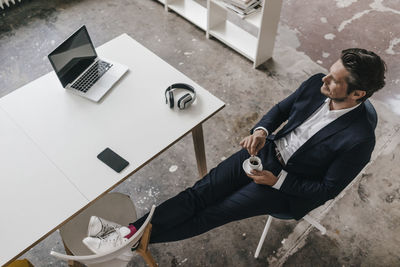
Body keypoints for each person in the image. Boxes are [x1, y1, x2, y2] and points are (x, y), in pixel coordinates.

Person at [82, 48, 387, 252]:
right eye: (329, 72)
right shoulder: (314, 85)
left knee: (213, 213)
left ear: (358, 94)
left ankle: (123, 242)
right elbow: (281, 109)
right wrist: (261, 131)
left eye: (335, 81)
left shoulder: (359, 140)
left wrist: (276, 181)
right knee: (198, 193)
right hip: (265, 152)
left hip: (286, 187)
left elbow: (326, 189)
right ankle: (124, 237)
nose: (324, 78)